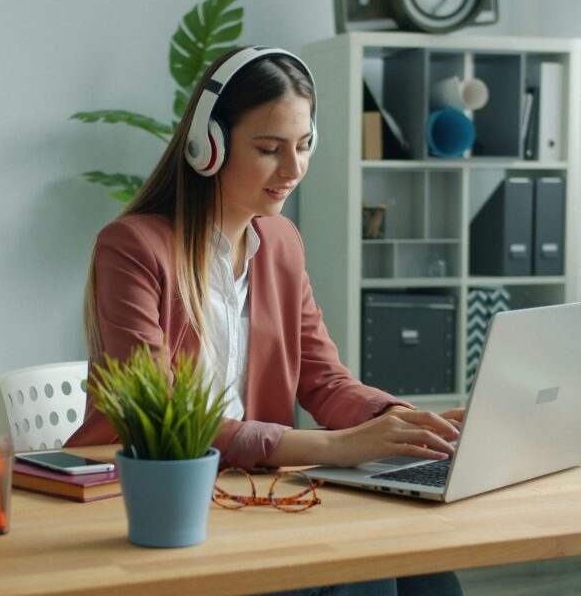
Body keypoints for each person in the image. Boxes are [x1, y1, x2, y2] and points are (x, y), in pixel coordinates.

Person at [66, 46, 463, 596]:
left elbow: (324, 380)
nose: (294, 169)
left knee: (425, 562)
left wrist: (404, 422)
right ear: (210, 146)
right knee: (362, 576)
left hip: (251, 494)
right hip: (154, 503)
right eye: (270, 149)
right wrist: (331, 448)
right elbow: (162, 420)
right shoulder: (134, 247)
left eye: (303, 146)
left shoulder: (279, 243)